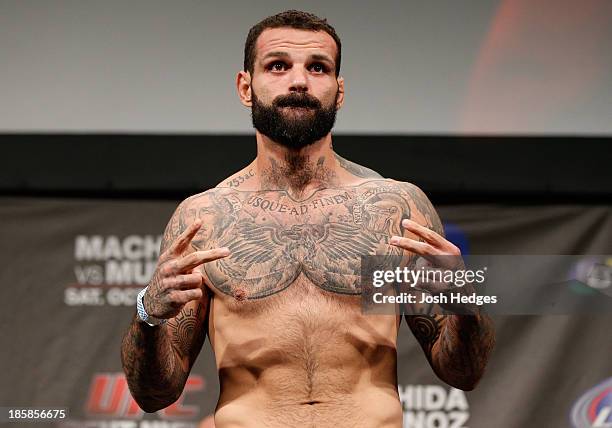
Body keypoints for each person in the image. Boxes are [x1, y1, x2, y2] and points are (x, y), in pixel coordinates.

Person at [120, 10, 495, 427]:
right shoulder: (204, 218)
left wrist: (463, 299)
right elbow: (155, 394)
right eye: (278, 66)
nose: (299, 80)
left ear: (339, 90)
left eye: (318, 67)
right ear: (246, 86)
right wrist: (148, 313)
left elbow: (464, 373)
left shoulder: (394, 209)